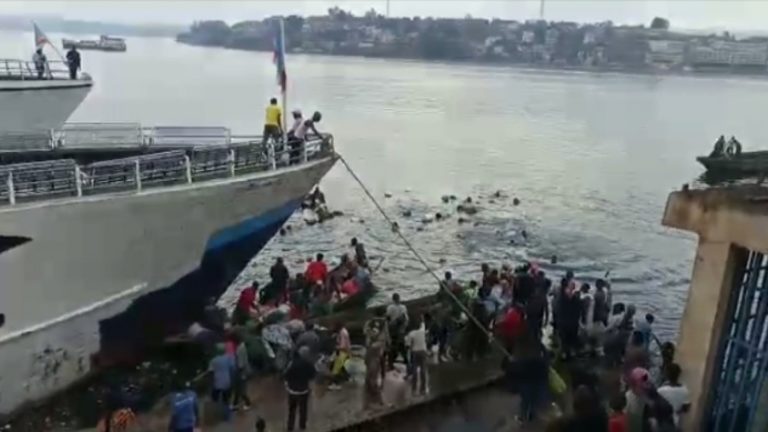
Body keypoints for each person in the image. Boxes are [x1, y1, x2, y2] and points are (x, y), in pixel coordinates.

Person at [284, 346, 316, 431]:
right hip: (303, 391)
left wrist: (287, 385)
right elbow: (312, 377)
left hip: (292, 391)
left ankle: (290, 427)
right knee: (303, 410)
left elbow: (286, 375)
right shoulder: (309, 364)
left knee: (291, 410)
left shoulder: (292, 362)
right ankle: (302, 426)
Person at [657, 363, 690, 428]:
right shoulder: (684, 390)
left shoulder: (661, 390)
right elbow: (686, 408)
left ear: (667, 374)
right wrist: (676, 410)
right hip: (675, 422)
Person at [209, 344, 236, 421]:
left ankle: (215, 415)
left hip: (216, 383)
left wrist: (211, 384)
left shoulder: (213, 360)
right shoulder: (229, 358)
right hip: (227, 382)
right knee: (226, 400)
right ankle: (227, 417)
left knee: (214, 399)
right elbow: (232, 370)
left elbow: (211, 372)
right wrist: (232, 381)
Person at [405, 315, 429, 395]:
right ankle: (423, 389)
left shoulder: (411, 334)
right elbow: (423, 323)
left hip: (415, 352)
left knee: (414, 370)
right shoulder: (422, 331)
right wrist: (421, 317)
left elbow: (408, 345)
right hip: (423, 351)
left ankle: (414, 390)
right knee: (423, 370)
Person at [386, 293, 410, 369]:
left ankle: (391, 363)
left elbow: (388, 317)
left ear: (393, 299)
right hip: (401, 330)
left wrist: (390, 325)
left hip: (393, 329)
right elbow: (405, 318)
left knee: (393, 346)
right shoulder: (403, 307)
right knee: (401, 345)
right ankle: (406, 361)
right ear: (399, 299)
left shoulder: (390, 307)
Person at [232, 334, 253, 410]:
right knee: (238, 389)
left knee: (241, 389)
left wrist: (238, 372)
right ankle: (235, 404)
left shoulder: (240, 348)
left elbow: (240, 364)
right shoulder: (242, 346)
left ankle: (248, 403)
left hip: (241, 372)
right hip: (242, 371)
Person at [329, 322, 351, 390]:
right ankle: (346, 377)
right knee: (340, 366)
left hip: (343, 352)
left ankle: (336, 384)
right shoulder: (342, 331)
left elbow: (343, 346)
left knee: (335, 368)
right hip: (344, 352)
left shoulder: (343, 333)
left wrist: (335, 347)